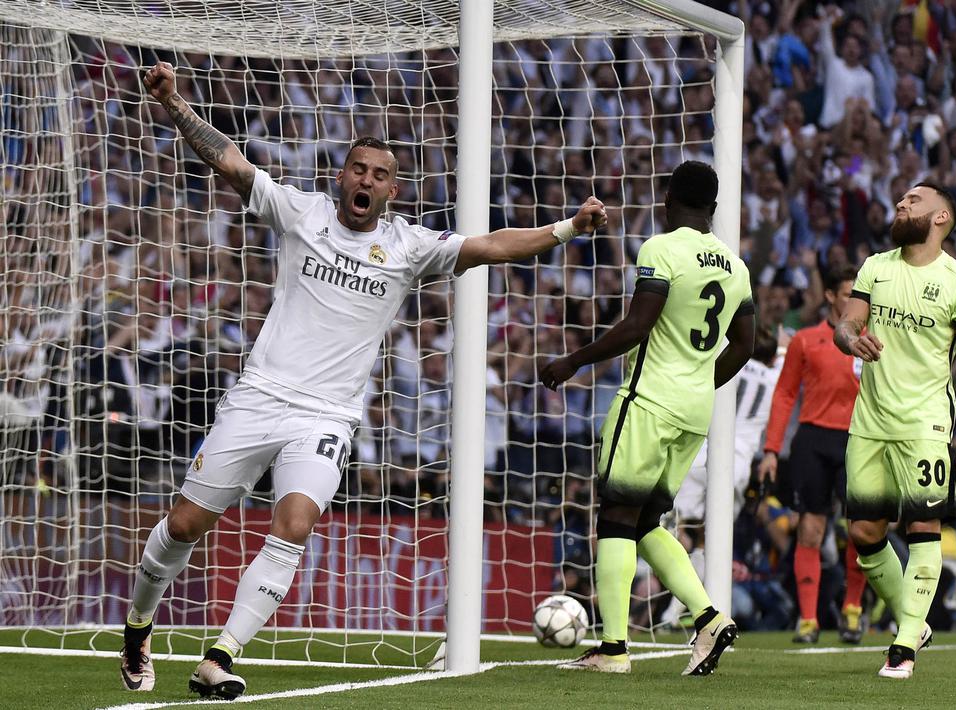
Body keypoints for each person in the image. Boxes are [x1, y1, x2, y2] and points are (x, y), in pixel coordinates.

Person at [121, 62, 608, 698]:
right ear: (341, 175)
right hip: (260, 395)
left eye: (379, 175)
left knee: (293, 524)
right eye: (358, 169)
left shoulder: (408, 247)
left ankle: (220, 656)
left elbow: (491, 247)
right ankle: (137, 625)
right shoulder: (301, 213)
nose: (366, 180)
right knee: (185, 526)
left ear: (392, 191)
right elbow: (234, 165)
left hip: (327, 416)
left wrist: (568, 228)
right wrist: (177, 104)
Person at [540, 160, 755, 675]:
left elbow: (639, 325)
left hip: (648, 401)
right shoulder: (735, 265)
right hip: (693, 411)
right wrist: (700, 381)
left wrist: (574, 359)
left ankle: (613, 648)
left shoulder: (661, 248)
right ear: (715, 208)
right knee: (643, 521)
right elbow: (746, 345)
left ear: (667, 199)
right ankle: (707, 618)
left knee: (615, 514)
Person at [834, 181, 956, 679]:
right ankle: (913, 621)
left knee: (924, 528)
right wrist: (852, 339)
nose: (902, 203)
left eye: (914, 200)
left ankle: (903, 648)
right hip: (870, 422)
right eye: (901, 198)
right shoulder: (876, 266)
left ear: (941, 217)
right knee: (863, 532)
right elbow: (846, 324)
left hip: (926, 423)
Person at [757, 264, 869, 644]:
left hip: (860, 441)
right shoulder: (806, 340)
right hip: (813, 442)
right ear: (830, 297)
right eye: (848, 294)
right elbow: (785, 393)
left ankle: (853, 610)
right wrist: (772, 450)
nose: (854, 302)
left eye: (859, 296)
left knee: (861, 530)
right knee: (810, 530)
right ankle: (808, 620)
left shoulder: (872, 339)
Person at [665, 323, 781, 628]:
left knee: (677, 531)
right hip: (735, 464)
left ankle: (658, 602)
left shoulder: (729, 365)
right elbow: (784, 351)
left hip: (701, 453)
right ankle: (683, 611)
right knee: (711, 540)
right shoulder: (774, 376)